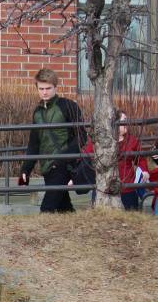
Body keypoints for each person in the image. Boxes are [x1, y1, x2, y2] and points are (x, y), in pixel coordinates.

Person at [18, 67, 87, 213]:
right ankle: (75, 230)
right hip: (47, 166)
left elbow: (81, 136)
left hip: (63, 165)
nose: (44, 92)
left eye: (48, 88)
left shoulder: (68, 106)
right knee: (64, 207)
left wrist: (63, 159)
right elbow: (34, 143)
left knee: (47, 208)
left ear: (55, 86)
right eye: (41, 88)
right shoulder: (37, 112)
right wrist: (25, 170)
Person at [83, 109, 151, 211]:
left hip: (128, 188)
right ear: (114, 124)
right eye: (123, 121)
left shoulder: (132, 140)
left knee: (130, 216)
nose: (126, 124)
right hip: (103, 188)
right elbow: (85, 156)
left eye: (127, 120)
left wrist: (144, 171)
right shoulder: (100, 141)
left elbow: (140, 158)